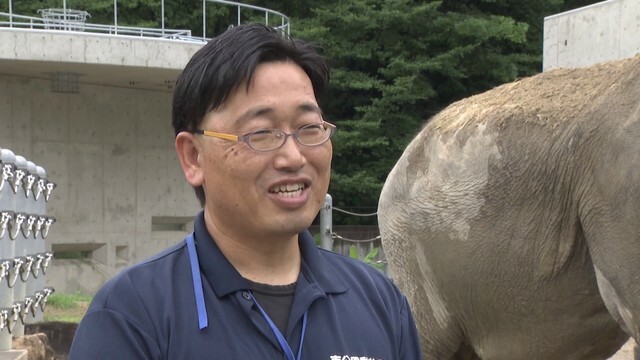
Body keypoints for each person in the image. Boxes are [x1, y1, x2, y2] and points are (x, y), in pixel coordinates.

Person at [69, 23, 421, 359]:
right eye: (261, 133)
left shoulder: (380, 302)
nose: (293, 156)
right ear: (193, 157)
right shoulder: (131, 315)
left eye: (309, 128)